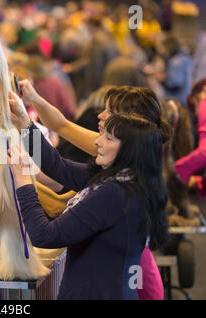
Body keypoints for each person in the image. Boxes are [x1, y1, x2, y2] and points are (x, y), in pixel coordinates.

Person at [12, 81, 171, 300]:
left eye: (108, 138)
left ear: (129, 149)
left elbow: (44, 235)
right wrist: (23, 122)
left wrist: (23, 181)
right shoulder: (127, 180)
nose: (96, 143)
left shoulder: (114, 193)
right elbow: (58, 167)